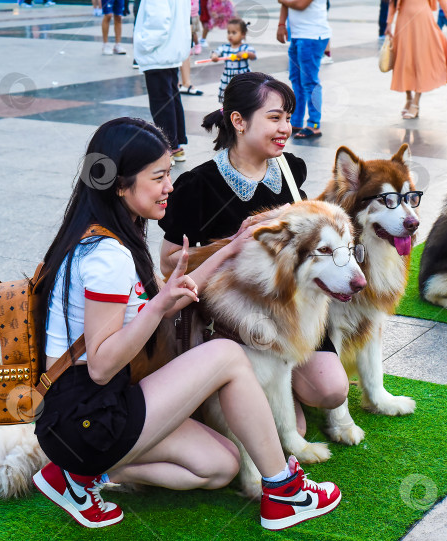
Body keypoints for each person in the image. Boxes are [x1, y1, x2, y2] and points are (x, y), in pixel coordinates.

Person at [30, 117, 342, 530]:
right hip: (88, 415)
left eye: (169, 174)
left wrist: (230, 248)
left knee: (220, 467)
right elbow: (103, 365)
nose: (170, 187)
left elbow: (174, 292)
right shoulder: (108, 256)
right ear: (120, 184)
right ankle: (284, 492)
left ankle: (79, 476)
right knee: (229, 354)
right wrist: (158, 307)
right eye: (159, 177)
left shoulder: (105, 236)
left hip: (86, 412)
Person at [158, 72, 350, 439]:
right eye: (275, 118)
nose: (285, 128)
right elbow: (169, 260)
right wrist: (233, 248)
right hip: (236, 319)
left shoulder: (291, 171)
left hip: (292, 311)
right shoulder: (197, 185)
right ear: (239, 121)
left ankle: (283, 378)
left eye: (288, 118)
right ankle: (258, 385)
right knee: (288, 431)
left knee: (330, 390)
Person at [134, 0, 190, 162]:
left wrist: (144, 44)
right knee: (171, 98)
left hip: (158, 52)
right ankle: (176, 145)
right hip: (171, 50)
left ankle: (168, 148)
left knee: (161, 102)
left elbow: (157, 20)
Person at [385, 0, 447, 119]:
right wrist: (389, 22)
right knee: (404, 60)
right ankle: (408, 98)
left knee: (420, 60)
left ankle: (415, 103)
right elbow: (393, 2)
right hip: (403, 20)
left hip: (423, 21)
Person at [276, 0, 331, 139]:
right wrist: (281, 24)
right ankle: (296, 121)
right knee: (296, 79)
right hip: (297, 35)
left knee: (310, 82)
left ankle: (314, 124)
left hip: (312, 36)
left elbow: (301, 4)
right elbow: (287, 3)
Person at [211, 18, 256, 103]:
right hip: (228, 77)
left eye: (234, 33)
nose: (230, 35)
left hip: (242, 77)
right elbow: (216, 52)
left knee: (242, 96)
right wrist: (214, 56)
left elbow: (253, 55)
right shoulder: (225, 47)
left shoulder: (245, 48)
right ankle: (227, 111)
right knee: (227, 96)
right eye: (228, 32)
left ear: (243, 34)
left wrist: (246, 54)